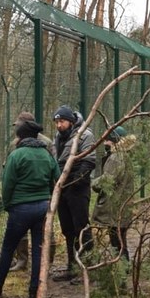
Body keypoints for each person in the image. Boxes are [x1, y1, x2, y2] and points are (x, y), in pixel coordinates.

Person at [0, 116, 59, 298]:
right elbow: (57, 179)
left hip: (21, 209)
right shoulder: (46, 155)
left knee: (8, 248)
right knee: (39, 249)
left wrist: (8, 205)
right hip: (43, 207)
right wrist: (49, 201)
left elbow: (7, 185)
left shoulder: (16, 155)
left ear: (21, 137)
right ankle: (34, 291)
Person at [51, 104, 95, 282]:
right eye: (56, 122)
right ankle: (71, 265)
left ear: (70, 121)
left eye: (61, 121)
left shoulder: (85, 134)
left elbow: (89, 161)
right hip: (61, 188)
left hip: (78, 188)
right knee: (67, 229)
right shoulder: (58, 137)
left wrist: (75, 181)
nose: (58, 125)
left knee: (81, 227)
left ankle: (87, 267)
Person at [7, 112, 54, 272]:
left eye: (18, 124)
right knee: (21, 231)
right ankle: (22, 259)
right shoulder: (14, 144)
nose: (16, 128)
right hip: (20, 194)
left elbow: (52, 166)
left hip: (42, 193)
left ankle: (47, 260)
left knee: (45, 230)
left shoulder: (46, 143)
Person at [91, 126, 136, 261]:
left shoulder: (116, 157)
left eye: (107, 140)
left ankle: (121, 269)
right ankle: (123, 266)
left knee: (117, 241)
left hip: (115, 206)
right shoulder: (125, 155)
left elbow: (107, 180)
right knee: (120, 238)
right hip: (122, 205)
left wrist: (94, 183)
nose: (104, 143)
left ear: (114, 141)